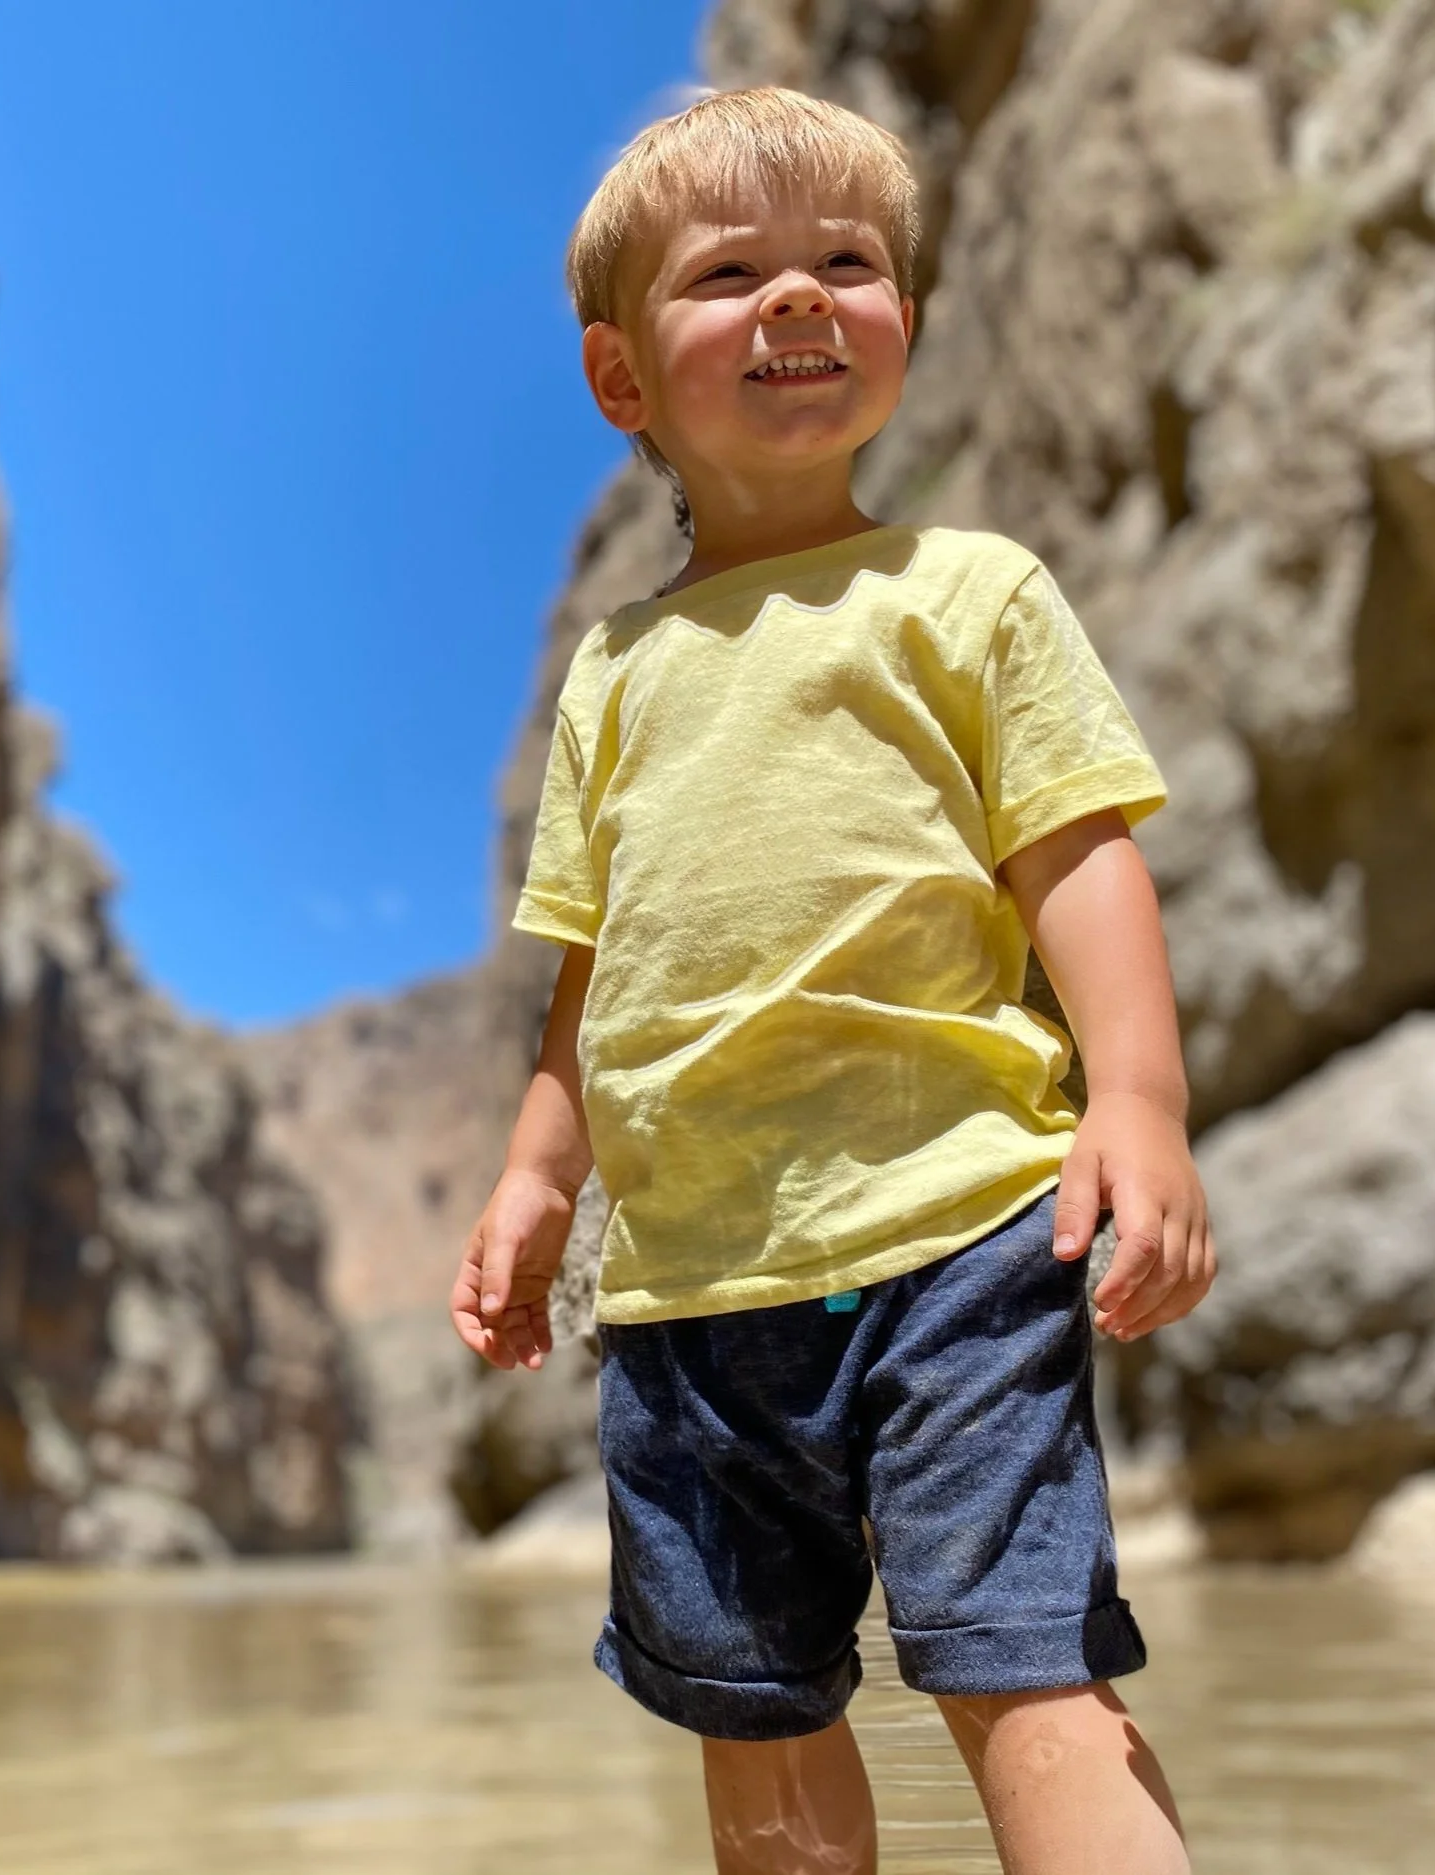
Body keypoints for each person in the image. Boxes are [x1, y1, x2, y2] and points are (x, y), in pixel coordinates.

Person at [450, 83, 1216, 1875]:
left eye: (847, 263)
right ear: (623, 378)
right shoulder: (612, 675)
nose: (798, 297)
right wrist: (531, 1178)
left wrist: (1138, 1098)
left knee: (1023, 1666)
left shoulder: (969, 591)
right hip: (686, 1294)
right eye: (730, 272)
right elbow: (594, 972)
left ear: (907, 331)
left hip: (960, 1232)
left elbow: (1076, 856)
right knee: (751, 1711)